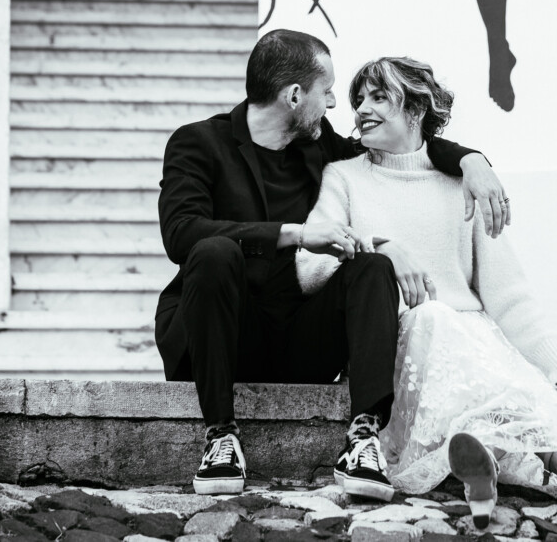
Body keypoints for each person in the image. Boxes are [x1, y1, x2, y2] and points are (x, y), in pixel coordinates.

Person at [155, 30, 511, 498]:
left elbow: (398, 144)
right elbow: (181, 233)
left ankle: (363, 439)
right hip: (218, 337)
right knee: (215, 251)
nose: (334, 107)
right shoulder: (199, 143)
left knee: (372, 268)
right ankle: (220, 437)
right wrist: (296, 234)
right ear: (295, 95)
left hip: (299, 336)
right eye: (327, 93)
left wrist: (471, 161)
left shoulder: (318, 146)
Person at [300, 57, 557, 526]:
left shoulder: (462, 185)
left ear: (416, 110)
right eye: (359, 99)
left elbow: (508, 294)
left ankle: (481, 469)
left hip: (471, 342)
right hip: (398, 345)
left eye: (378, 96)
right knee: (432, 316)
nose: (362, 109)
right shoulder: (344, 177)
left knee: (473, 339)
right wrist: (379, 248)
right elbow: (309, 269)